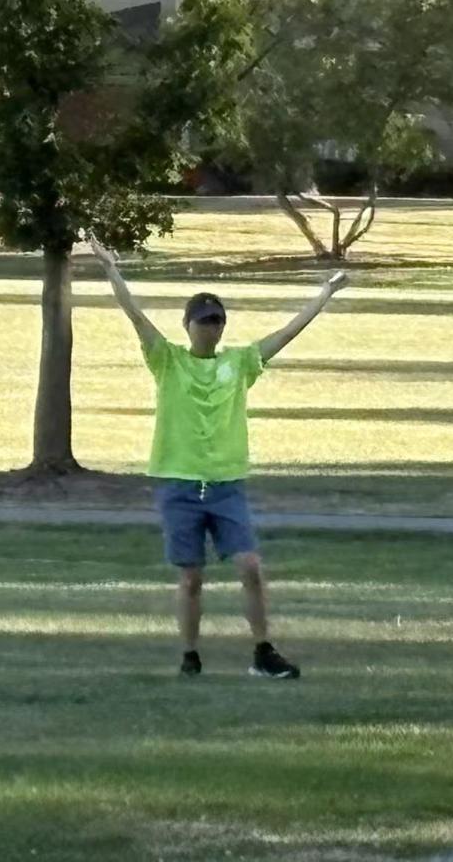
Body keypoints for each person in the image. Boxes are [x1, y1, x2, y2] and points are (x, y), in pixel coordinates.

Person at [87, 234, 347, 679]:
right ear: (187, 325)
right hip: (179, 483)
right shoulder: (167, 360)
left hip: (226, 485)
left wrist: (324, 294)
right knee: (191, 577)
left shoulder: (240, 363)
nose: (212, 328)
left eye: (218, 321)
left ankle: (263, 652)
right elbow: (135, 315)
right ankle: (190, 657)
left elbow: (287, 333)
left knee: (250, 567)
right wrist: (111, 269)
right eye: (204, 321)